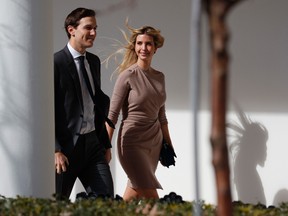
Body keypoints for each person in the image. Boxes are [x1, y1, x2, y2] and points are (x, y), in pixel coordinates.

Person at [106, 24, 174, 201]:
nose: (144, 48)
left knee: (135, 193)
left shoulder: (160, 77)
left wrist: (169, 144)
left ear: (155, 48)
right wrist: (105, 146)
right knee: (151, 194)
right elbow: (112, 115)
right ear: (135, 47)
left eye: (148, 44)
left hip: (154, 143)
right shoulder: (127, 76)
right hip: (131, 142)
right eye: (140, 43)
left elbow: (162, 117)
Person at [54, 7, 114, 199]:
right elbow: (48, 109)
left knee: (105, 201)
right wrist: (55, 149)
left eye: (95, 28)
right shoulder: (56, 63)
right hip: (66, 147)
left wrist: (105, 144)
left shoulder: (94, 62)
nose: (94, 33)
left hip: (93, 144)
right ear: (71, 29)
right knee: (57, 203)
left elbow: (95, 105)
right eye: (88, 28)